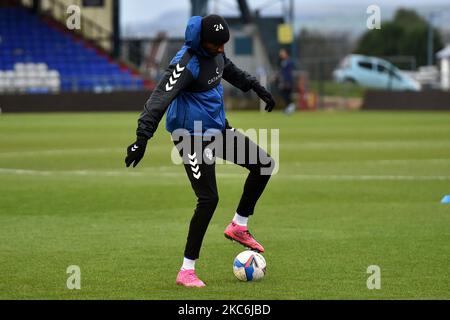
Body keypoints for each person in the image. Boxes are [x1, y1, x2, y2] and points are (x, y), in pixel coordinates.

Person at [124, 14, 276, 288]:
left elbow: (227, 69)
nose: (221, 49)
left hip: (217, 130)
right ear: (201, 41)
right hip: (190, 137)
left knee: (263, 164)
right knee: (208, 199)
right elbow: (159, 98)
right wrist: (141, 138)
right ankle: (186, 271)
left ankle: (238, 226)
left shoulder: (216, 53)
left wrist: (256, 87)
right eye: (216, 44)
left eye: (223, 44)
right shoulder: (186, 63)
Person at [277, 48, 296, 114]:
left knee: (286, 94)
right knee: (284, 94)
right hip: (284, 81)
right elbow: (281, 72)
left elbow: (288, 72)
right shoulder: (282, 61)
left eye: (282, 53)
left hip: (288, 81)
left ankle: (291, 107)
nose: (280, 54)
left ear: (286, 53)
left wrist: (288, 81)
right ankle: (289, 108)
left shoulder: (289, 61)